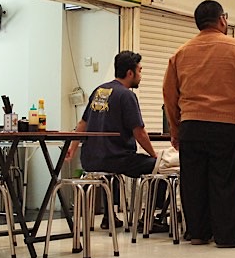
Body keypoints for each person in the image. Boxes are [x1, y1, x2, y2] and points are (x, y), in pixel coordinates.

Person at [163, 0, 235, 248]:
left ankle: (198, 233)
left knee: (194, 182)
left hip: (192, 126)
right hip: (228, 127)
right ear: (222, 19)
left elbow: (170, 95)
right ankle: (228, 236)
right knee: (227, 182)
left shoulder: (180, 53)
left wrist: (176, 128)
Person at [65, 51, 166, 232]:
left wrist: (72, 149)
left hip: (90, 159)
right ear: (130, 73)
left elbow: (83, 123)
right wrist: (154, 155)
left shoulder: (100, 91)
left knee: (109, 168)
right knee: (158, 168)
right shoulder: (126, 95)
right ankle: (149, 218)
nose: (141, 76)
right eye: (140, 71)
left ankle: (108, 217)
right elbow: (139, 132)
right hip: (115, 159)